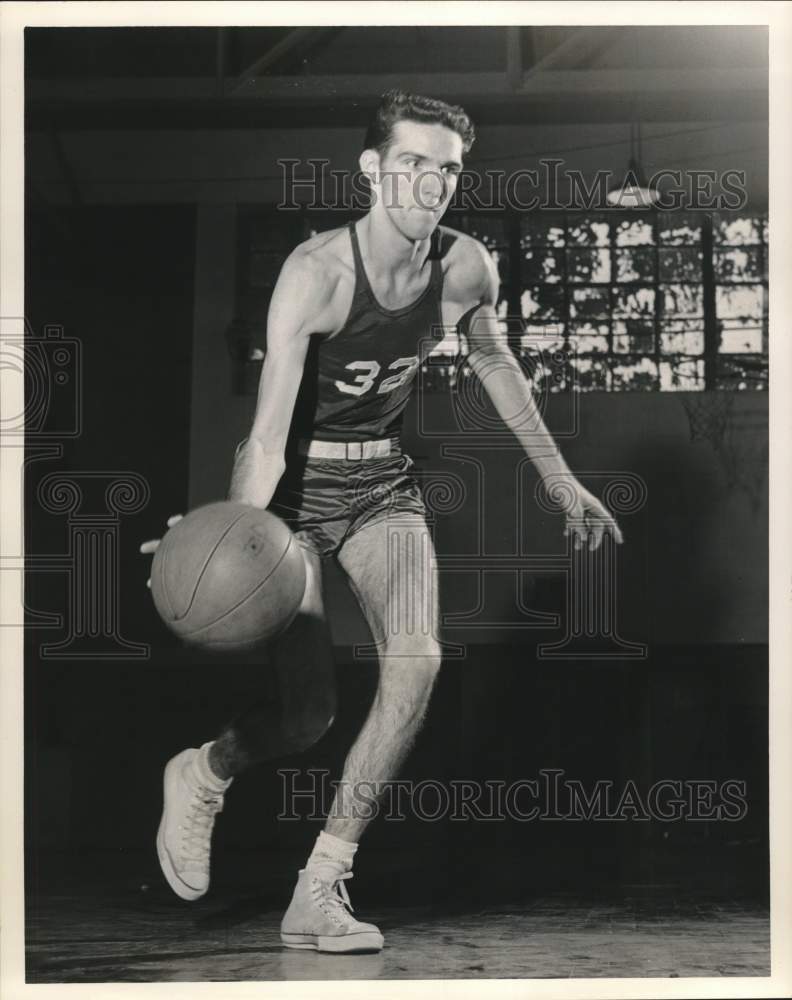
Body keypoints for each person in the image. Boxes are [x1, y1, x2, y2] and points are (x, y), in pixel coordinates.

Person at [141, 90, 623, 955]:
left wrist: (558, 478)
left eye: (447, 169)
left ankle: (320, 886)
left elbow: (494, 357)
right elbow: (265, 436)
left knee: (418, 659)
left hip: (384, 490)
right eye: (412, 164)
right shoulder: (316, 271)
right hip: (294, 496)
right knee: (309, 719)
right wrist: (226, 537)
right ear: (372, 169)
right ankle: (204, 772)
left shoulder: (465, 265)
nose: (430, 183)